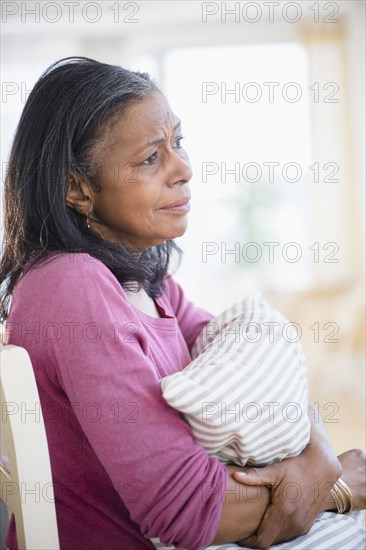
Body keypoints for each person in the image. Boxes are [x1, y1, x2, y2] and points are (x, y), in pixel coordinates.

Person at [0, 57, 364, 550]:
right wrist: (330, 486)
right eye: (151, 158)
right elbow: (191, 510)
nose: (184, 169)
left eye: (178, 143)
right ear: (76, 188)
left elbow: (260, 372)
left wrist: (318, 453)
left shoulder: (146, 282)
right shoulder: (71, 286)